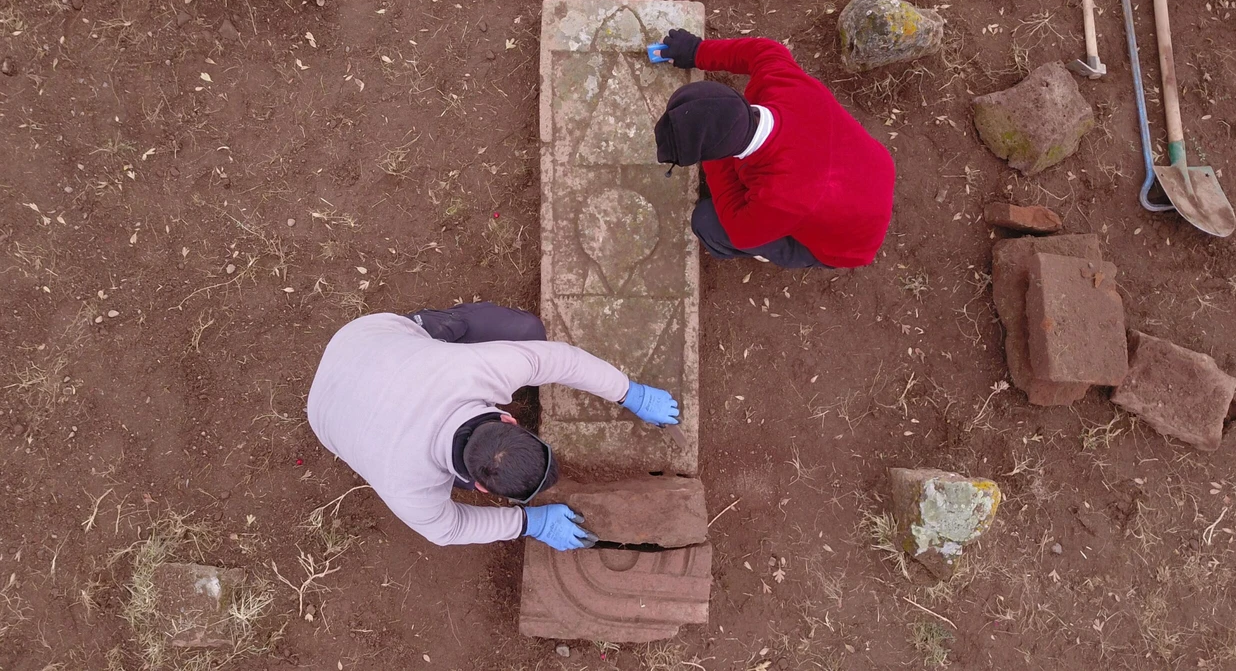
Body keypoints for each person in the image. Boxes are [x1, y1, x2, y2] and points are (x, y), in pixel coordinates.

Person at [306, 302, 680, 551]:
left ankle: (434, 328)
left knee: (528, 330)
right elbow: (447, 530)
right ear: (508, 417)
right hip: (342, 382)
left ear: (508, 419)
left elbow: (566, 361)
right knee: (527, 332)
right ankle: (429, 327)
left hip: (360, 353)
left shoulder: (476, 368)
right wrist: (525, 523)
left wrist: (630, 393)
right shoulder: (408, 486)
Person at [650, 29, 896, 269]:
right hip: (870, 171)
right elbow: (763, 49)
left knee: (707, 222)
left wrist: (713, 160)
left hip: (848, 244)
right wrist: (697, 50)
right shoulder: (780, 83)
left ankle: (793, 254)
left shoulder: (783, 196)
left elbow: (740, 232)